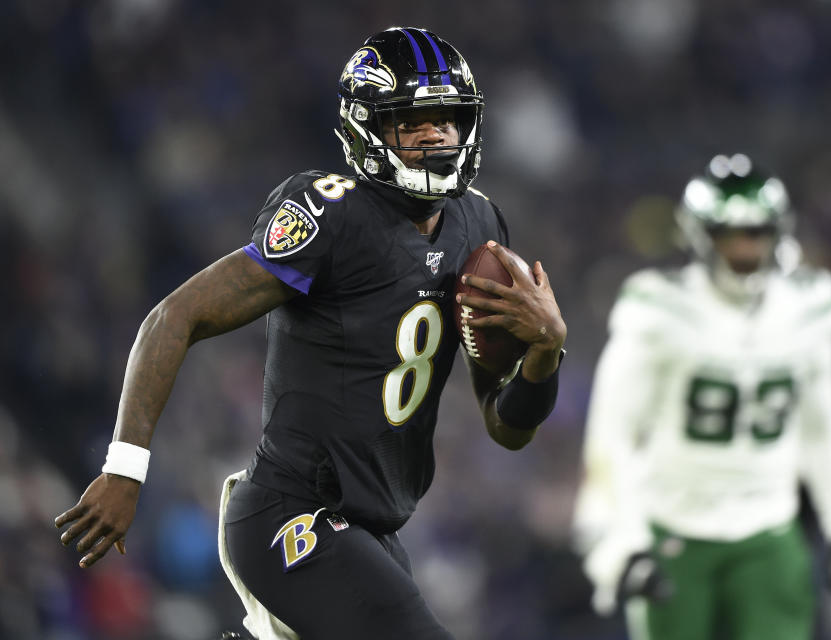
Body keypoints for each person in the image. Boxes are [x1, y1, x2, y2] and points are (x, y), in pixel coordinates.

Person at [55, 27, 566, 640]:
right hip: (290, 512)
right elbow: (174, 316)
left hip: (372, 531)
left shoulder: (478, 224)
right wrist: (125, 468)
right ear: (367, 129)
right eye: (413, 121)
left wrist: (545, 351)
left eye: (447, 119)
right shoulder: (331, 213)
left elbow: (508, 427)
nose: (436, 135)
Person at [572, 153, 831, 640]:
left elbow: (823, 425)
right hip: (675, 525)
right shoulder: (660, 310)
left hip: (769, 526)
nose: (745, 249)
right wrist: (622, 543)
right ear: (700, 237)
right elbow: (613, 431)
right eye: (730, 235)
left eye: (756, 233)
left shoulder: (809, 309)